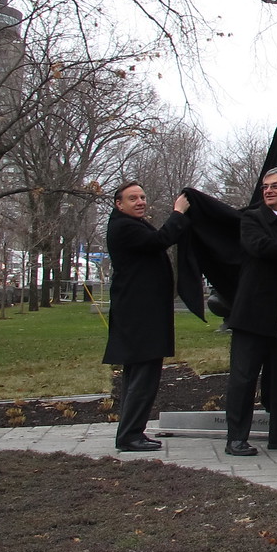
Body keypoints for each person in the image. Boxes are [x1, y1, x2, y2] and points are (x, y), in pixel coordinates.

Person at [103, 180, 191, 452]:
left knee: (138, 376)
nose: (140, 202)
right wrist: (178, 213)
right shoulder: (124, 227)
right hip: (140, 316)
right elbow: (161, 240)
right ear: (119, 204)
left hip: (141, 313)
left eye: (142, 197)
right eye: (133, 199)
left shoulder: (131, 224)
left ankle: (131, 431)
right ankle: (130, 435)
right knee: (143, 376)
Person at [223, 167, 277, 456]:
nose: (268, 190)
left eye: (275, 186)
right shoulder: (252, 218)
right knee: (243, 379)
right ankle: (236, 438)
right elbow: (260, 247)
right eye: (265, 186)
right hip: (252, 315)